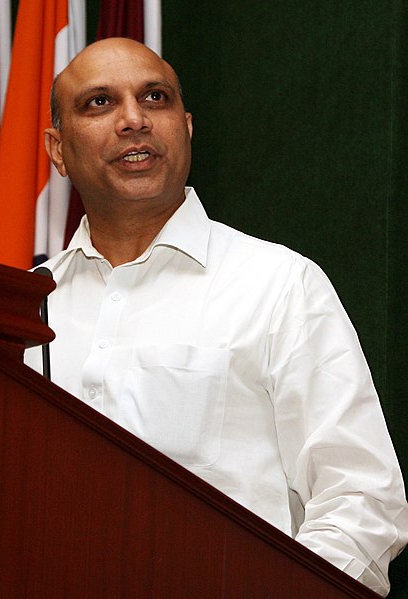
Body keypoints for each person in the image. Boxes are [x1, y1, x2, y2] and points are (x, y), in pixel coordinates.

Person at [25, 37, 408, 595]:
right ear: (57, 150)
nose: (133, 120)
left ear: (186, 126)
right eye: (100, 103)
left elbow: (362, 501)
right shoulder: (16, 305)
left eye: (154, 98)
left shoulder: (278, 285)